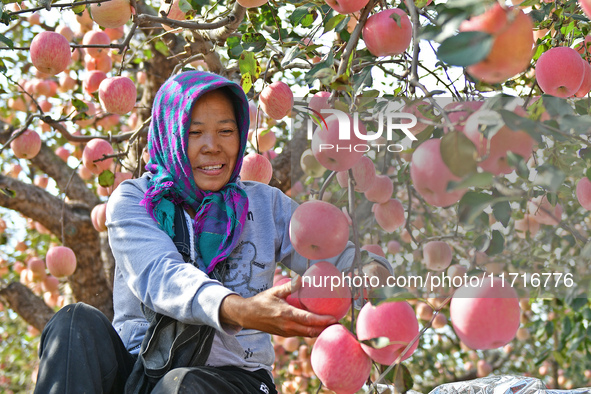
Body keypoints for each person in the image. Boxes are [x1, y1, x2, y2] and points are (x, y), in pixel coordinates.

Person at [34, 70, 391, 394]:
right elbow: (160, 274)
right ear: (170, 134)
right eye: (194, 133)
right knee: (73, 323)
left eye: (226, 130)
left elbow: (349, 260)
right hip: (138, 376)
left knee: (183, 385)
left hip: (234, 380)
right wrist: (239, 309)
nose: (212, 146)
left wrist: (369, 274)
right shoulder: (134, 200)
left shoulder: (265, 205)